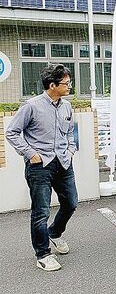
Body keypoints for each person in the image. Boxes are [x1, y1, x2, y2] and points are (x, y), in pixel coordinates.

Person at [6, 64, 79, 271]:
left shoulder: (66, 106)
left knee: (71, 203)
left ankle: (54, 233)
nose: (69, 86)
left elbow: (69, 132)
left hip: (64, 162)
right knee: (41, 211)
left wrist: (70, 150)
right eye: (66, 83)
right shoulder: (31, 106)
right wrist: (31, 154)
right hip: (40, 166)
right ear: (53, 85)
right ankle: (43, 254)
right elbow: (12, 132)